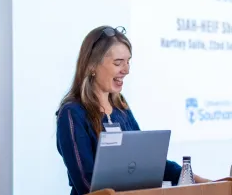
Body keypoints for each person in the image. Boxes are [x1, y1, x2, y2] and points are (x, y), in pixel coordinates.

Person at [56, 26, 210, 195]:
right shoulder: (72, 114)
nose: (126, 70)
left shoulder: (121, 108)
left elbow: (147, 163)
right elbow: (86, 183)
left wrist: (199, 181)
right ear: (92, 65)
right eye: (118, 63)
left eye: (128, 61)